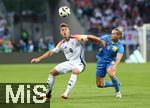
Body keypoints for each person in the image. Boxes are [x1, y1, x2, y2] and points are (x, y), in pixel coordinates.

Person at [31, 23, 104, 99]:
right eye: (62, 30)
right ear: (61, 33)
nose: (64, 31)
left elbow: (89, 37)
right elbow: (50, 52)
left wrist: (100, 40)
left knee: (75, 71)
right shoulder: (61, 43)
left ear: (69, 31)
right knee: (52, 72)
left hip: (80, 63)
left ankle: (66, 93)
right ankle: (47, 94)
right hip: (69, 63)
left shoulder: (75, 38)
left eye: (66, 29)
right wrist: (39, 58)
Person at [95, 28, 124, 98]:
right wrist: (101, 41)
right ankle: (115, 83)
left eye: (114, 34)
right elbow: (97, 39)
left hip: (110, 62)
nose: (112, 35)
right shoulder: (107, 37)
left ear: (119, 36)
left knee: (110, 73)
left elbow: (118, 57)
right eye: (112, 33)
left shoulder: (120, 46)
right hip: (101, 61)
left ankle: (118, 92)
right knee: (99, 85)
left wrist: (115, 65)